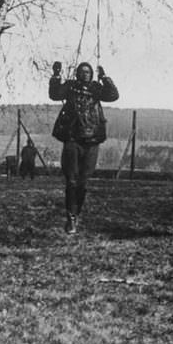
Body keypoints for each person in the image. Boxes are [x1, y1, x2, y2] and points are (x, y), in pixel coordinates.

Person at [49, 61, 118, 233]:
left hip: (92, 140)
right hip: (72, 139)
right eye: (82, 71)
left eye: (88, 72)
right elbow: (55, 94)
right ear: (77, 73)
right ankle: (71, 217)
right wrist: (56, 75)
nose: (85, 74)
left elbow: (113, 95)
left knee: (83, 182)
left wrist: (105, 78)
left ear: (92, 74)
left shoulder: (96, 88)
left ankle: (76, 214)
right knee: (71, 181)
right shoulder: (70, 87)